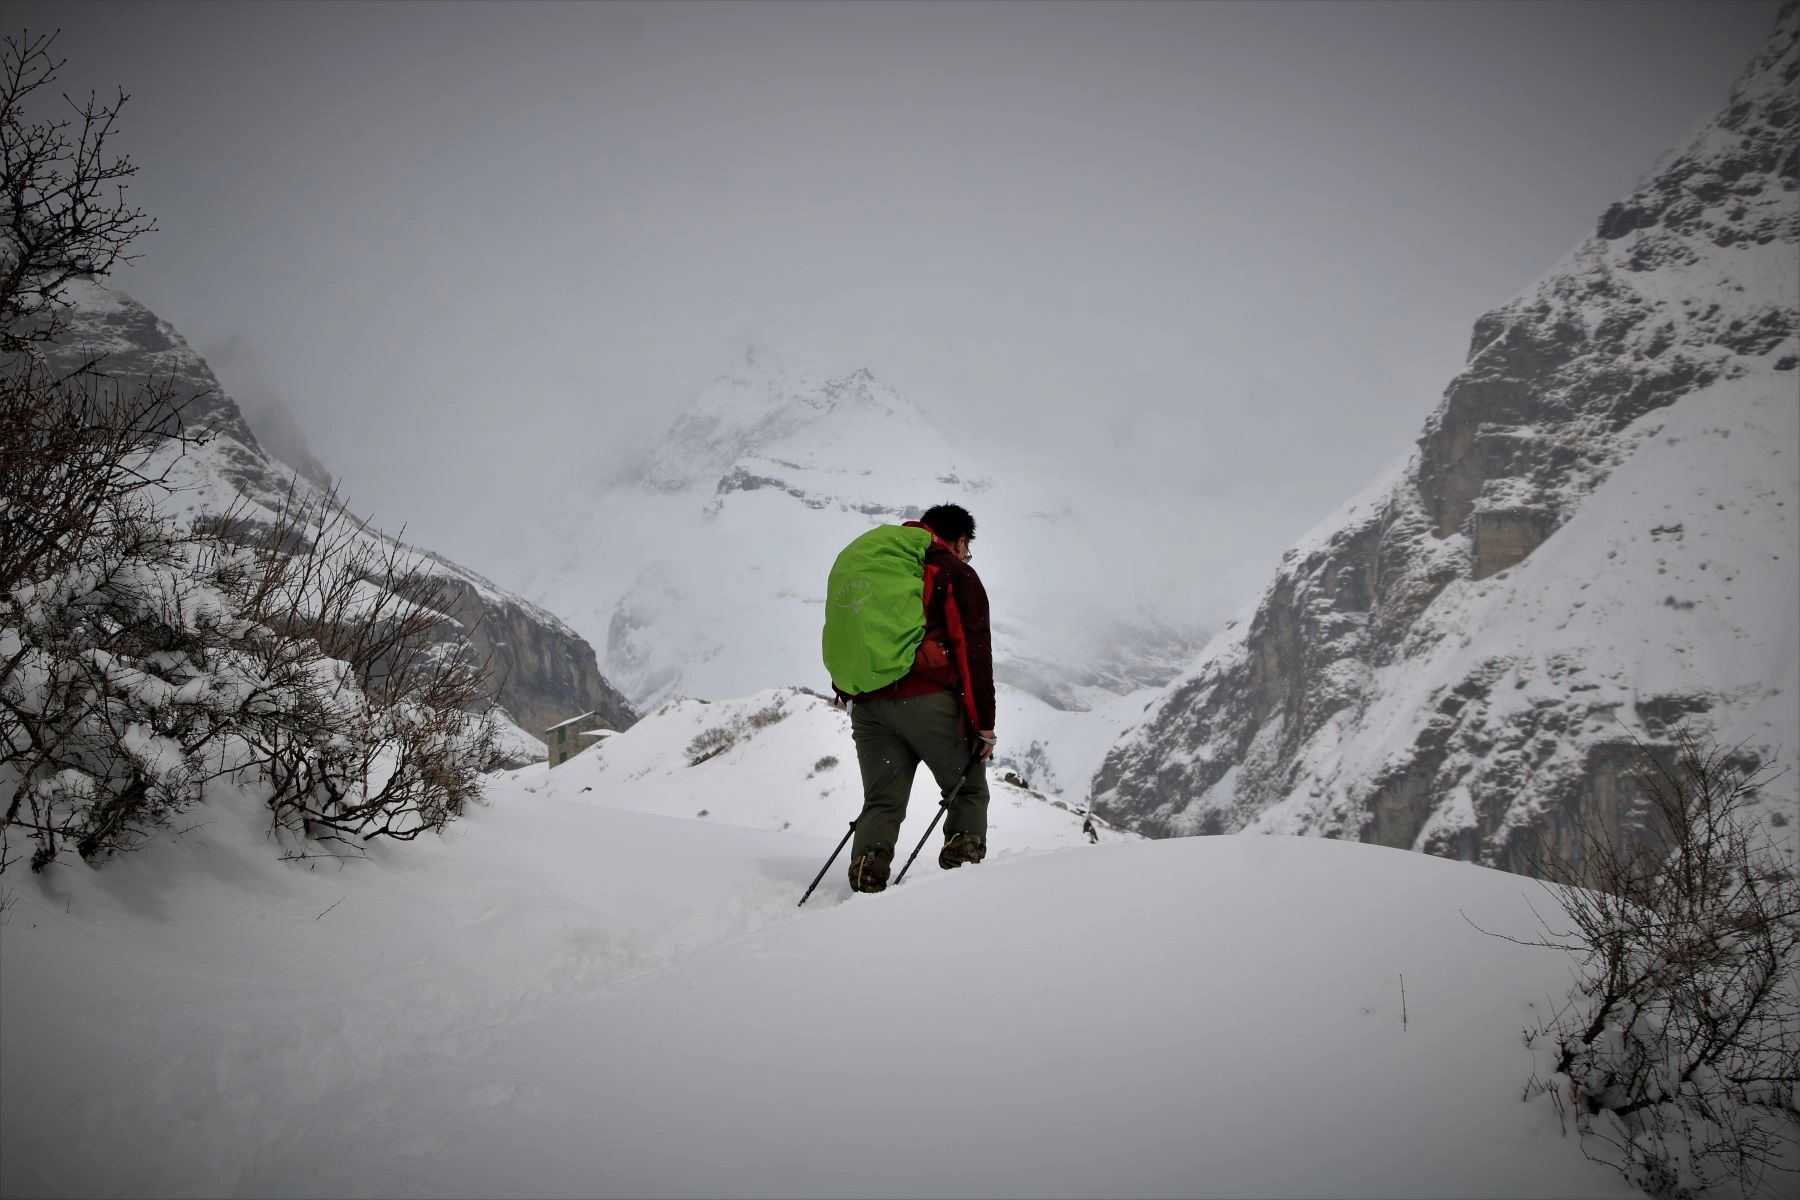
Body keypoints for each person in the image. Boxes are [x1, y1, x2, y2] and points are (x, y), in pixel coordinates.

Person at [841, 503, 995, 893]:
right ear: (960, 541)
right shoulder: (951, 570)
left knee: (882, 802)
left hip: (869, 705)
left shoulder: (886, 564)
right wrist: (984, 725)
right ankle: (962, 888)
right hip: (925, 701)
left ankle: (865, 880)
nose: (966, 556)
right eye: (967, 549)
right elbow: (973, 652)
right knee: (967, 789)